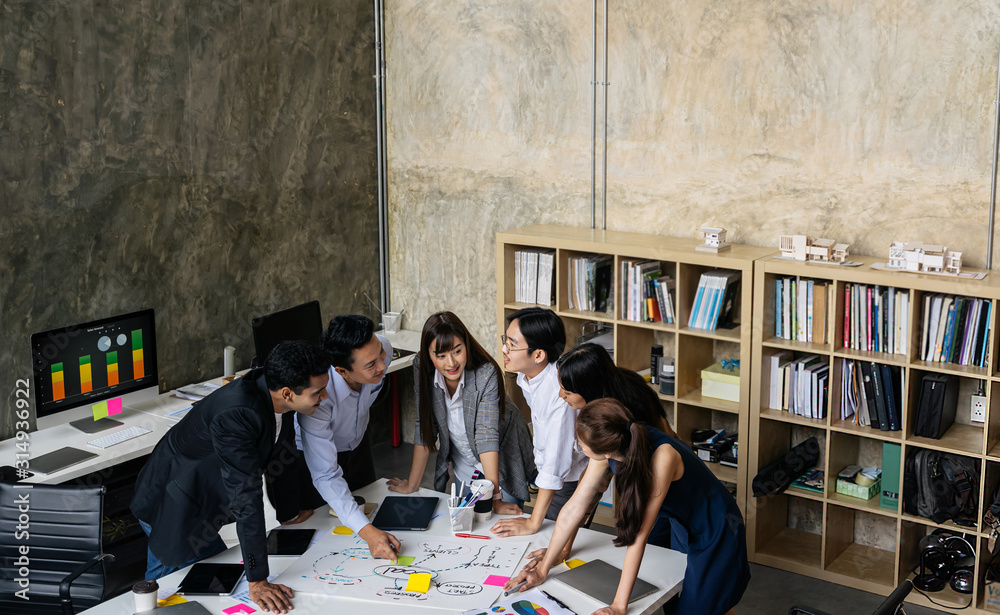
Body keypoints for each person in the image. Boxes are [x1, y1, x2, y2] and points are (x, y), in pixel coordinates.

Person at [131, 340, 330, 614]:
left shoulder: (274, 397)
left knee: (213, 589)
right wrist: (258, 579)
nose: (326, 397)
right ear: (287, 393)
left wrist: (288, 512)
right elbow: (246, 497)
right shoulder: (238, 413)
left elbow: (282, 454)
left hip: (206, 502)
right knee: (165, 599)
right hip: (174, 506)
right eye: (318, 391)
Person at [505, 398, 750, 615]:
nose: (579, 447)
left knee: (708, 605)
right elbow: (573, 509)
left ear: (608, 449)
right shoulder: (612, 449)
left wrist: (619, 606)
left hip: (718, 528)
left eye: (581, 444)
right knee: (683, 604)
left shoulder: (661, 457)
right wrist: (543, 569)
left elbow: (639, 535)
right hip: (684, 525)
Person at [386, 311, 535, 512]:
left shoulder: (485, 373)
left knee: (499, 525)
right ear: (429, 355)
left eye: (457, 351)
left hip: (502, 458)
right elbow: (425, 424)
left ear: (466, 344)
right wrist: (413, 484)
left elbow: (486, 436)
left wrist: (495, 499)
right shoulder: (422, 366)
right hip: (464, 459)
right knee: (466, 520)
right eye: (440, 356)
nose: (451, 363)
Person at [295, 314, 401, 562]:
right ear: (341, 370)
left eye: (381, 357)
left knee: (369, 512)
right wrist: (368, 534)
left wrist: (369, 531)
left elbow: (380, 353)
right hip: (314, 459)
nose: (382, 367)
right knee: (329, 541)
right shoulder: (318, 400)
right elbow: (326, 474)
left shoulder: (380, 347)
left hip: (358, 445)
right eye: (371, 365)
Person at [491, 307, 588, 538]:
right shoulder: (530, 375)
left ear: (538, 355)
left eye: (512, 344)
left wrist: (534, 522)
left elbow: (556, 463)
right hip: (550, 474)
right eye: (506, 340)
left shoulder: (558, 394)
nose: (504, 349)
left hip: (568, 481)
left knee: (546, 541)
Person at [556, 342, 677, 437]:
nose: (560, 395)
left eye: (567, 392)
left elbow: (597, 465)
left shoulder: (612, 417)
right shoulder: (623, 378)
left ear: (591, 390)